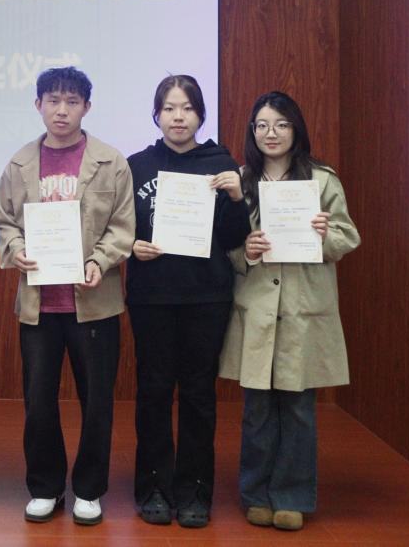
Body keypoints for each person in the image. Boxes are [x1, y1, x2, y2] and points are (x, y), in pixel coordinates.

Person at [0, 66, 134, 526]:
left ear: (86, 107)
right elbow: (5, 222)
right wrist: (16, 249)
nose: (61, 110)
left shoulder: (111, 161)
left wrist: (100, 260)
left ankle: (89, 489)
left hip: (94, 302)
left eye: (72, 101)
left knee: (97, 401)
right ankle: (46, 486)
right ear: (38, 105)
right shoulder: (19, 163)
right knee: (38, 400)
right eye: (53, 100)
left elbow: (123, 226)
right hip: (39, 305)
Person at [219, 91, 360, 532]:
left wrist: (324, 233)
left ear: (296, 129)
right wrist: (246, 251)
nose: (271, 133)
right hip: (257, 307)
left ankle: (292, 497)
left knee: (298, 409)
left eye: (281, 124)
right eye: (262, 125)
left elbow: (347, 236)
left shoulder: (321, 179)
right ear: (252, 131)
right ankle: (256, 494)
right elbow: (223, 247)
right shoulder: (240, 182)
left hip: (303, 308)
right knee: (257, 409)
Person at [126, 75, 250, 527]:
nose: (178, 117)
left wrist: (236, 196)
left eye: (187, 108)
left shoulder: (221, 164)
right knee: (153, 391)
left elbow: (234, 239)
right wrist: (131, 246)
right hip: (152, 297)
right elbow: (118, 227)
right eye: (169, 108)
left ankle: (195, 490)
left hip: (206, 296)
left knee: (199, 394)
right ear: (156, 115)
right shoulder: (136, 165)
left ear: (201, 114)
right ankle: (154, 487)